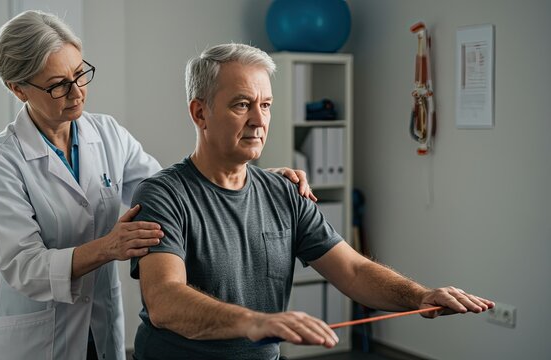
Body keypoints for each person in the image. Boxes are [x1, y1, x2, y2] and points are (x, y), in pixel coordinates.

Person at [0, 11, 314, 360]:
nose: (77, 92)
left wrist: (249, 178)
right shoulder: (2, 162)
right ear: (18, 89)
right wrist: (108, 248)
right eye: (58, 85)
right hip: (35, 335)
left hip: (99, 323)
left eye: (80, 74)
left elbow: (174, 192)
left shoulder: (106, 134)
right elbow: (23, 266)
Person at [129, 43, 494, 360]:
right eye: (242, 105)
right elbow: (165, 300)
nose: (259, 120)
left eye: (266, 105)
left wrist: (420, 296)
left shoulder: (284, 191)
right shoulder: (163, 195)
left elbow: (352, 271)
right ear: (200, 113)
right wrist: (255, 321)